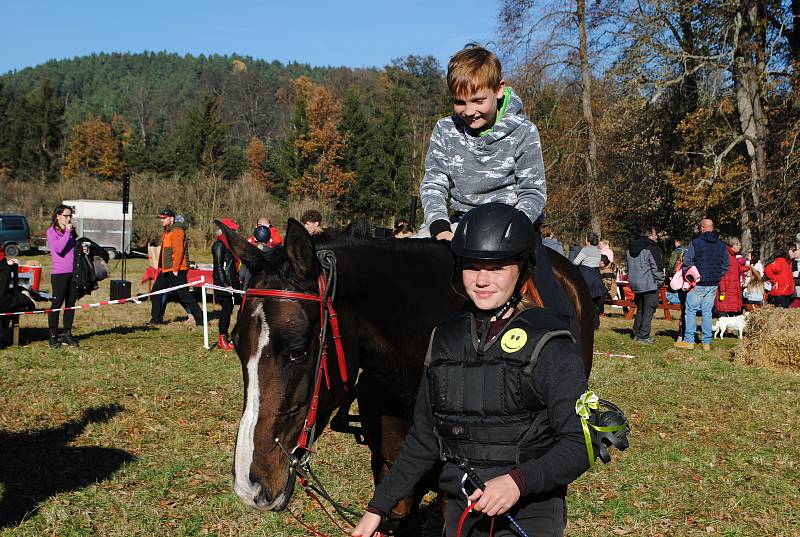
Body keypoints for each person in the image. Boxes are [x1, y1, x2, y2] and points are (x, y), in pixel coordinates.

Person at [350, 203, 591, 537]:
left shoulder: (550, 344)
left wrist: (517, 482)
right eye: (472, 267)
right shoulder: (445, 338)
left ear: (521, 270)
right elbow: (423, 439)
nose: (481, 280)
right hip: (463, 512)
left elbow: (580, 442)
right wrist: (377, 509)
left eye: (496, 268)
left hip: (529, 513)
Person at [418, 45, 570, 324]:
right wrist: (438, 227)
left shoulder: (524, 131)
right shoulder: (444, 130)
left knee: (555, 307)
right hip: (459, 227)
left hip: (515, 228)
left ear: (499, 89)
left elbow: (533, 191)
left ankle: (562, 349)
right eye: (460, 102)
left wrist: (509, 230)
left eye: (478, 100)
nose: (469, 111)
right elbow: (434, 182)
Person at [675, 218, 729, 351]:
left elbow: (688, 262)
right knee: (707, 312)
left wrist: (691, 275)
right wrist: (718, 275)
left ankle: (689, 340)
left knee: (691, 310)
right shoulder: (721, 245)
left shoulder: (696, 243)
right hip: (713, 283)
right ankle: (706, 342)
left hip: (698, 283)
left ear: (703, 228)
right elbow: (726, 265)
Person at [147, 208, 202, 327]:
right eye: (161, 218)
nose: (161, 220)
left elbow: (178, 251)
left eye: (163, 218)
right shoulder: (167, 231)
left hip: (177, 269)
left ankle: (200, 319)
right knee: (156, 292)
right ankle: (156, 320)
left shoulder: (177, 230)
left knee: (184, 295)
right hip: (167, 269)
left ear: (171, 219)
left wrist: (176, 269)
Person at [46, 204, 80, 348]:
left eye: (70, 216)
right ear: (58, 216)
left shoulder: (71, 231)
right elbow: (59, 249)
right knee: (56, 304)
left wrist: (82, 249)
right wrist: (67, 232)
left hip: (73, 273)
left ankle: (67, 333)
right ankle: (53, 335)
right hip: (59, 274)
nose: (68, 218)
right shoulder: (51, 232)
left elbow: (72, 249)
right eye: (66, 215)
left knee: (70, 305)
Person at [626, 227, 665, 344]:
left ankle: (636, 332)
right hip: (649, 284)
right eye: (655, 234)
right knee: (649, 310)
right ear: (649, 235)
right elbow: (657, 268)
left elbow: (627, 267)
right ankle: (643, 336)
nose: (656, 236)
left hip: (635, 283)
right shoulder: (652, 248)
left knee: (640, 309)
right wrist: (660, 281)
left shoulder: (630, 248)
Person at [212, 218, 240, 351]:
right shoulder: (219, 245)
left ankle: (231, 336)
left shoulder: (230, 245)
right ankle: (222, 339)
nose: (234, 232)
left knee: (232, 309)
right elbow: (218, 267)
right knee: (226, 309)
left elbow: (231, 265)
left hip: (232, 282)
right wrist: (225, 285)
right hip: (223, 283)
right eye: (232, 230)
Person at [573, 232, 606, 329]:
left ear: (588, 240)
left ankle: (583, 322)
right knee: (594, 303)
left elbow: (576, 262)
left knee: (583, 301)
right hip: (596, 276)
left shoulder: (585, 250)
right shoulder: (598, 250)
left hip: (585, 275)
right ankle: (595, 324)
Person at [714, 236, 747, 316]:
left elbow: (736, 269)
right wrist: (722, 290)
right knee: (724, 311)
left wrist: (747, 268)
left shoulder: (732, 256)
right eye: (738, 244)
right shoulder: (726, 256)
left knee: (730, 311)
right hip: (726, 289)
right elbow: (721, 274)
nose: (740, 247)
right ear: (733, 245)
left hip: (732, 288)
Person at [763, 242, 798, 308]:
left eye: (795, 250)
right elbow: (768, 269)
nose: (794, 252)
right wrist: (774, 281)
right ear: (787, 251)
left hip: (787, 293)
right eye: (792, 250)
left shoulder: (788, 262)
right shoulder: (781, 261)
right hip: (781, 293)